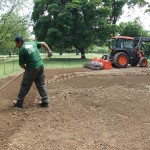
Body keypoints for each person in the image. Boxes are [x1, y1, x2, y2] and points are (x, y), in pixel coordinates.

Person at [13, 36, 52, 108]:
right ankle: (45, 101)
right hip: (41, 66)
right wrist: (49, 51)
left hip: (32, 68)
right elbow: (43, 43)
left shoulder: (22, 50)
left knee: (25, 85)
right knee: (41, 84)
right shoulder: (32, 43)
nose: (16, 45)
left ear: (20, 42)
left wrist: (27, 69)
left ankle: (19, 103)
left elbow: (21, 65)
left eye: (16, 43)